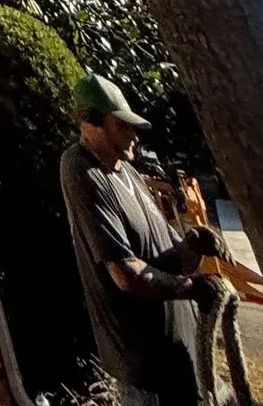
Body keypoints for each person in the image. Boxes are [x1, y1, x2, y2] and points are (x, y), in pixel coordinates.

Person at [59, 73, 225, 406]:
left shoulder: (129, 171)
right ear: (91, 123)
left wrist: (193, 243)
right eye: (123, 126)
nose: (134, 135)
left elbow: (170, 258)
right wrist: (194, 288)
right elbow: (128, 275)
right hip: (150, 376)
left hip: (185, 356)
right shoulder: (82, 171)